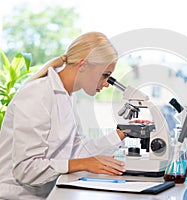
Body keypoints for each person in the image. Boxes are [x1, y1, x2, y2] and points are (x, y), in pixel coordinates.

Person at [0, 32, 128, 199]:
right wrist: (83, 164)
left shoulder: (67, 96)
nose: (106, 84)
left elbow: (79, 151)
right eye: (105, 75)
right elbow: (26, 169)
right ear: (83, 65)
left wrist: (121, 133)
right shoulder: (37, 94)